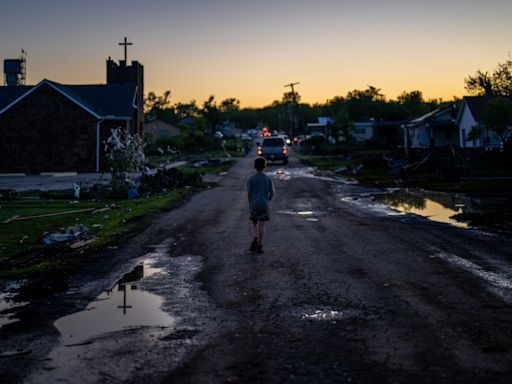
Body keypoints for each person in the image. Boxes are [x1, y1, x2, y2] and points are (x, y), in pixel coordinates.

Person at [246, 157, 274, 253]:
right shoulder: (267, 178)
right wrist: (268, 200)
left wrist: (250, 204)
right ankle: (260, 245)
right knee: (262, 225)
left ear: (255, 166)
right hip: (264, 204)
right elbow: (271, 192)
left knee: (254, 223)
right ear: (264, 166)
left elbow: (249, 194)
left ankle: (255, 238)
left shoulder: (251, 179)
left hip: (254, 204)